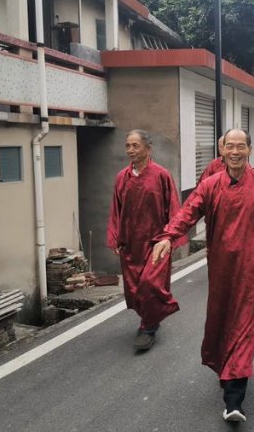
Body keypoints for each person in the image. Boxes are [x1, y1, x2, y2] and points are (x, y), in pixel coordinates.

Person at [151, 129, 254, 423]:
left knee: (244, 324)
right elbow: (187, 213)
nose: (235, 152)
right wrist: (168, 237)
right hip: (220, 268)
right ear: (222, 150)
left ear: (250, 150)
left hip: (251, 269)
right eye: (230, 147)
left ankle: (234, 399)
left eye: (241, 147)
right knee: (221, 320)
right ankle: (226, 367)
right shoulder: (210, 185)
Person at [107, 130, 186, 351]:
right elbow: (116, 210)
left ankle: (148, 328)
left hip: (157, 243)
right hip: (131, 244)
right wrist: (115, 237)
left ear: (148, 148)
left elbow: (174, 208)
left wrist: (171, 237)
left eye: (135, 145)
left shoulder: (161, 175)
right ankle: (150, 319)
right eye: (128, 146)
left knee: (151, 284)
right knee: (135, 289)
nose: (130, 150)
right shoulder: (122, 177)